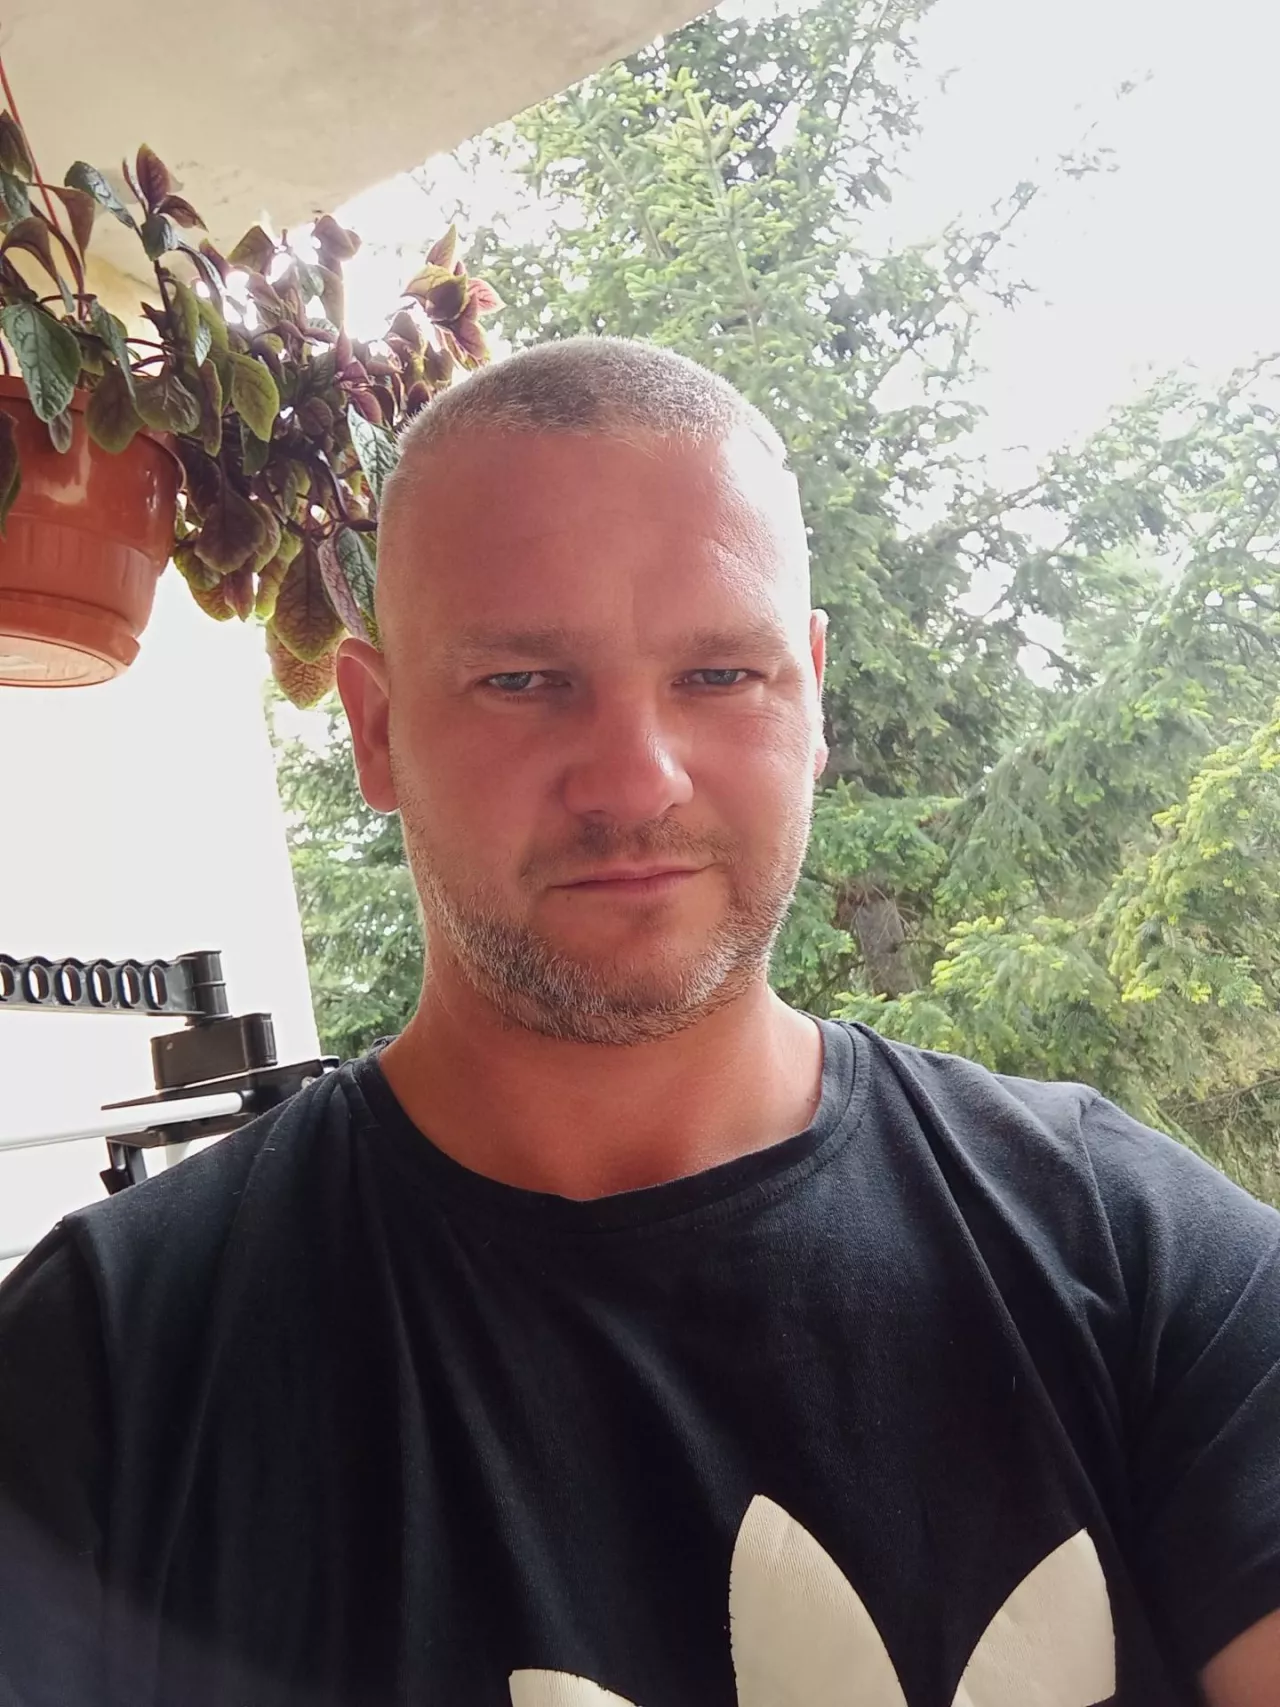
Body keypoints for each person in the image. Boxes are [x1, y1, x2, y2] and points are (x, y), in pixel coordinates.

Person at [1, 338, 1277, 1707]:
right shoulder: (102, 1376)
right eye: (522, 680)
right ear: (375, 730)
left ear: (812, 693)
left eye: (721, 675)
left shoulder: (1138, 1262)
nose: (635, 778)